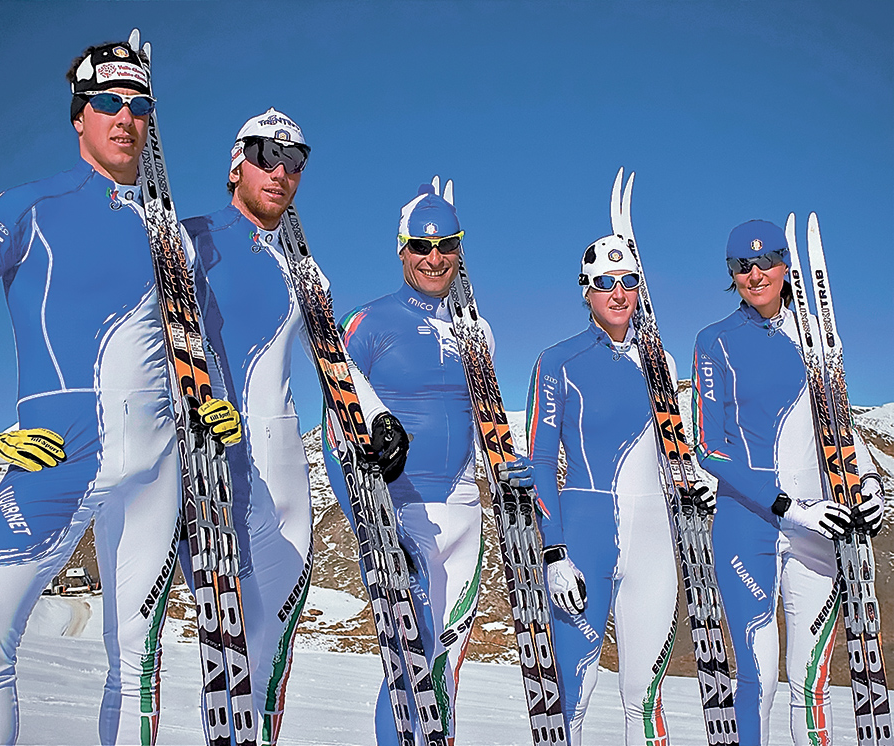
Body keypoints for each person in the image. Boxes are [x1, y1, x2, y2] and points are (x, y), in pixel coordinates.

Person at [0, 38, 238, 745]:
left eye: (139, 104)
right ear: (79, 116)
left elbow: (192, 344)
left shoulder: (173, 239)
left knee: (137, 666)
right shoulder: (29, 208)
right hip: (54, 466)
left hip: (156, 475)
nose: (125, 116)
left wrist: (208, 399)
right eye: (108, 103)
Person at [183, 108, 406, 746]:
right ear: (236, 163)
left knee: (269, 661)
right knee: (225, 660)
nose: (281, 172)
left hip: (287, 488)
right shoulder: (189, 241)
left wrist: (377, 417)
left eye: (295, 161)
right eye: (266, 155)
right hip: (216, 471)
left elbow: (330, 355)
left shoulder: (300, 271)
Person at [322, 180, 531, 744]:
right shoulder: (371, 322)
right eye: (421, 246)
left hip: (466, 512)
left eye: (447, 246)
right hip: (400, 508)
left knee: (443, 671)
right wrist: (370, 516)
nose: (434, 258)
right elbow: (333, 421)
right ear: (401, 249)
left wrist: (510, 465)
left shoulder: (476, 331)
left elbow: (486, 420)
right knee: (406, 664)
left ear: (461, 249)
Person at [691, 220, 885, 746]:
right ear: (731, 274)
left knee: (810, 683)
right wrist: (788, 506)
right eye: (741, 266)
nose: (754, 275)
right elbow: (710, 447)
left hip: (819, 527)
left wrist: (868, 483)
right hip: (747, 526)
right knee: (759, 680)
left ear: (786, 266)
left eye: (766, 262)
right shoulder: (715, 341)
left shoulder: (816, 338)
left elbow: (839, 426)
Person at [526, 230, 691, 745]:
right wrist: (553, 552)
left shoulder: (661, 366)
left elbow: (679, 449)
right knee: (571, 698)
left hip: (655, 546)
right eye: (604, 283)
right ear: (586, 290)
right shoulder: (558, 362)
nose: (617, 294)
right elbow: (536, 464)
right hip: (583, 543)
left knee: (645, 701)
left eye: (627, 282)